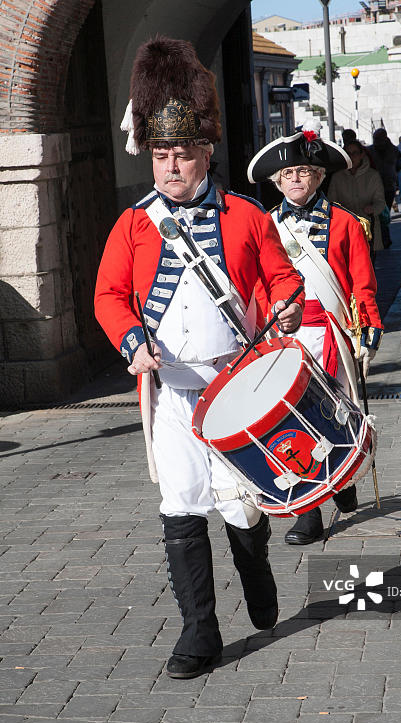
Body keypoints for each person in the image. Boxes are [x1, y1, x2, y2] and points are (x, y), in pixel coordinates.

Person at [94, 37, 304, 680]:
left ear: (205, 154)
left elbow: (282, 281)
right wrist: (132, 341)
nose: (171, 167)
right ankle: (199, 632)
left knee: (240, 506)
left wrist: (290, 305)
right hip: (173, 394)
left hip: (237, 385)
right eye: (161, 155)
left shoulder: (246, 216)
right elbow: (108, 296)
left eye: (182, 155)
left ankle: (255, 561)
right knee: (182, 505)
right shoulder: (132, 225)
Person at [247, 121, 383, 545]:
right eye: (287, 174)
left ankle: (342, 479)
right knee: (290, 422)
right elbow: (257, 284)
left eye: (304, 172)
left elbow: (362, 282)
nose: (295, 180)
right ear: (276, 181)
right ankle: (308, 511)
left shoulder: (345, 223)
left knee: (337, 415)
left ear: (320, 176)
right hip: (285, 337)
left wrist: (370, 326)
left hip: (333, 335)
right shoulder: (264, 224)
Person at [328, 138, 387, 257]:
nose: (351, 156)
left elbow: (380, 202)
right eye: (348, 153)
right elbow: (331, 203)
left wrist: (372, 208)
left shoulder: (373, 176)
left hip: (367, 231)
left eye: (355, 153)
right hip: (345, 230)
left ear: (361, 155)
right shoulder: (337, 177)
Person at [367, 128, 401, 248]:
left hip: (387, 186)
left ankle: (383, 237)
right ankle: (383, 237)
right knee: (379, 213)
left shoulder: (393, 150)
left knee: (383, 212)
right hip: (375, 186)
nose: (377, 142)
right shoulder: (369, 150)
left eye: (378, 139)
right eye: (375, 139)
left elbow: (398, 166)